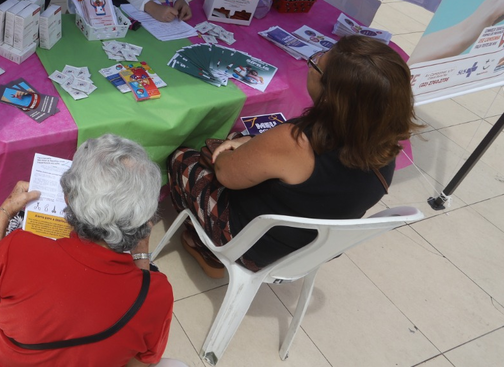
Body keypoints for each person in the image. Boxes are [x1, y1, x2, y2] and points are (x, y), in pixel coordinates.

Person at [167, 35, 420, 278]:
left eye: (317, 65)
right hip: (306, 253)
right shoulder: (386, 147)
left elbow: (226, 175)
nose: (312, 65)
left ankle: (206, 250)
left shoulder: (297, 141)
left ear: (331, 96)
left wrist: (223, 151)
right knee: (241, 141)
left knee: (181, 158)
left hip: (250, 246)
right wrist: (246, 143)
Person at [0, 134, 175, 366]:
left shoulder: (18, 248)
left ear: (67, 198)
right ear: (144, 221)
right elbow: (143, 361)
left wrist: (4, 211)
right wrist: (142, 258)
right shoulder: (158, 294)